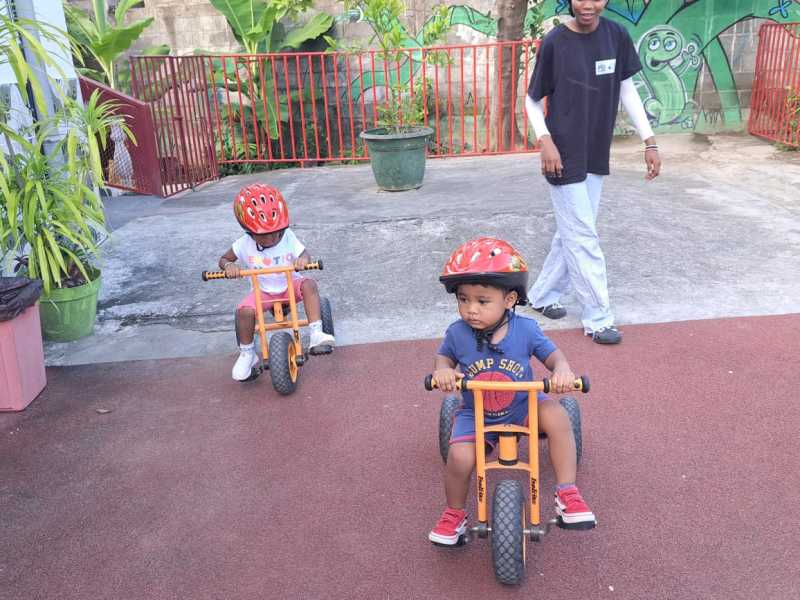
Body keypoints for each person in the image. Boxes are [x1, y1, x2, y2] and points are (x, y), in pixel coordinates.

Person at [428, 237, 595, 547]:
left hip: (523, 404)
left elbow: (554, 357)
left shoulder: (526, 329)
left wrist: (561, 370)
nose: (471, 309)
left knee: (558, 416)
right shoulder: (457, 333)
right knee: (459, 457)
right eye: (463, 299)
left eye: (482, 301)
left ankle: (567, 493)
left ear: (509, 299)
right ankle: (454, 514)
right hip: (476, 411)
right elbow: (444, 359)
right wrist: (443, 371)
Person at [525, 0, 661, 345]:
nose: (588, 5)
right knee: (583, 236)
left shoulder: (616, 35)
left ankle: (542, 295)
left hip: (596, 150)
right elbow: (532, 99)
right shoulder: (555, 42)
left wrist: (650, 141)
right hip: (561, 155)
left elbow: (627, 89)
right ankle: (598, 318)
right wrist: (545, 140)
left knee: (573, 230)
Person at [218, 183, 335, 381]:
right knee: (243, 312)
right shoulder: (243, 243)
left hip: (290, 285)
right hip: (263, 292)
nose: (272, 239)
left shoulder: (288, 237)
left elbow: (304, 253)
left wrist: (303, 260)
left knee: (309, 285)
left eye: (276, 232)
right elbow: (224, 259)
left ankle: (316, 332)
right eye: (263, 236)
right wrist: (229, 266)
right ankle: (247, 354)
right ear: (249, 231)